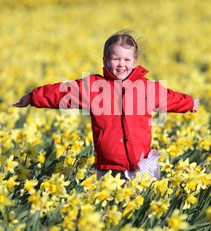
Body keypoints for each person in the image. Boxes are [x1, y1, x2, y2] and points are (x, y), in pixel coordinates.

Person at [13, 31, 199, 180]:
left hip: (140, 163)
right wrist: (32, 97)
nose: (121, 64)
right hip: (109, 166)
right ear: (105, 61)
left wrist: (189, 103)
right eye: (116, 59)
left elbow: (169, 98)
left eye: (126, 60)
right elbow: (62, 92)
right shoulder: (93, 88)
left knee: (138, 209)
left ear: (134, 63)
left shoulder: (146, 87)